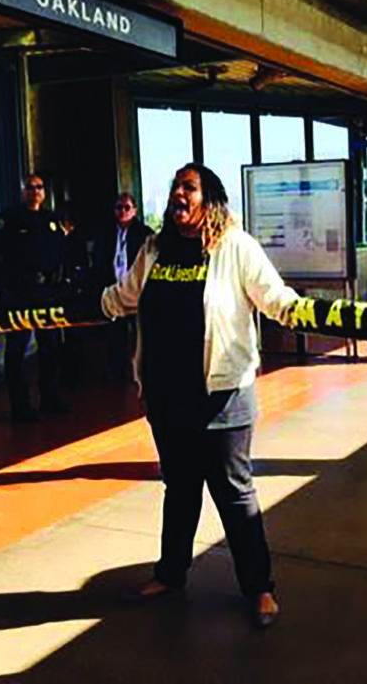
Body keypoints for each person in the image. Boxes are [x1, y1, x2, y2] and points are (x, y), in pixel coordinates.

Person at [100, 163, 298, 628]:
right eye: (174, 188)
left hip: (223, 396)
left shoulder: (235, 247)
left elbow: (274, 297)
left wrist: (302, 311)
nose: (178, 195)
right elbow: (124, 297)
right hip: (167, 397)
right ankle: (171, 574)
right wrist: (83, 308)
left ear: (209, 198)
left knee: (235, 495)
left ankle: (260, 588)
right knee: (181, 490)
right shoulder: (155, 249)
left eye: (188, 188)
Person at [0, 174, 68, 423]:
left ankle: (50, 398)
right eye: (30, 187)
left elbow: (62, 254)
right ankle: (20, 406)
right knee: (17, 350)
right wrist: (3, 290)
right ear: (22, 191)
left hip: (47, 294)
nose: (35, 192)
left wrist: (61, 285)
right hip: (19, 294)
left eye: (40, 187)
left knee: (51, 347)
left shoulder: (51, 220)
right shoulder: (8, 219)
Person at [92, 192, 153, 381]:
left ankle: (142, 373)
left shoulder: (145, 234)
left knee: (141, 336)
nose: (123, 211)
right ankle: (117, 374)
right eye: (119, 207)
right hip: (114, 292)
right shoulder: (105, 233)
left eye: (127, 207)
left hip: (138, 294)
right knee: (115, 337)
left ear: (134, 210)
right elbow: (98, 262)